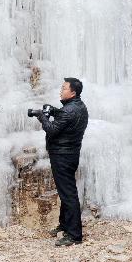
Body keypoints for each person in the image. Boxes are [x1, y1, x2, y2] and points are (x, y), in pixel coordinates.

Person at [37, 77, 89, 246]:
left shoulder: (69, 110)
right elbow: (66, 119)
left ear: (73, 92)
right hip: (71, 154)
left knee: (68, 194)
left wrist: (41, 117)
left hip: (62, 156)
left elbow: (51, 130)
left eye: (64, 88)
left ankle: (74, 235)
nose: (61, 90)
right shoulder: (78, 106)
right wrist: (54, 111)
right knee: (65, 191)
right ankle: (65, 225)